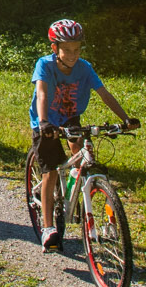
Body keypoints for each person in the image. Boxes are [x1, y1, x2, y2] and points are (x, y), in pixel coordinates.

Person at [28, 19, 135, 251]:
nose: (73, 54)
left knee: (88, 159)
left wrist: (125, 119)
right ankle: (48, 228)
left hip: (70, 117)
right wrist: (44, 122)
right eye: (67, 49)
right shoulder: (44, 65)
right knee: (51, 171)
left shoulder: (84, 68)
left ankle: (94, 209)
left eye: (77, 49)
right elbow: (43, 94)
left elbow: (104, 94)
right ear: (54, 48)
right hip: (45, 122)